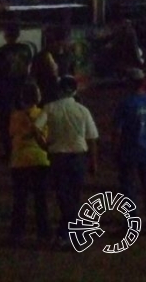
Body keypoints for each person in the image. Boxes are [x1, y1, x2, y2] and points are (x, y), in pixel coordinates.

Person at [37, 75, 99, 248]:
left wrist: (44, 145)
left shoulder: (50, 108)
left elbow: (36, 128)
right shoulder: (82, 110)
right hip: (78, 157)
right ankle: (71, 234)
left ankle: (68, 233)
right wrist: (93, 162)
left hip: (58, 157)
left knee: (64, 197)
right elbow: (92, 138)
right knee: (73, 196)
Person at [113, 67, 146, 235]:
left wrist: (116, 150)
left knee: (129, 189)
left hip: (129, 152)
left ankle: (131, 224)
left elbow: (117, 131)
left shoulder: (125, 103)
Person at [8, 82, 50, 242]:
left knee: (20, 199)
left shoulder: (16, 116)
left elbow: (12, 133)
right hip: (40, 158)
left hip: (20, 160)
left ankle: (17, 233)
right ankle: (43, 232)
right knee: (41, 199)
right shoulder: (43, 114)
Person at [0, 22, 34, 162]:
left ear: (5, 35)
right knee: (24, 117)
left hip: (4, 88)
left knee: (4, 121)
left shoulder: (0, 51)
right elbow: (28, 67)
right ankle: (24, 147)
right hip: (21, 87)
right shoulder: (26, 49)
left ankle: (9, 151)